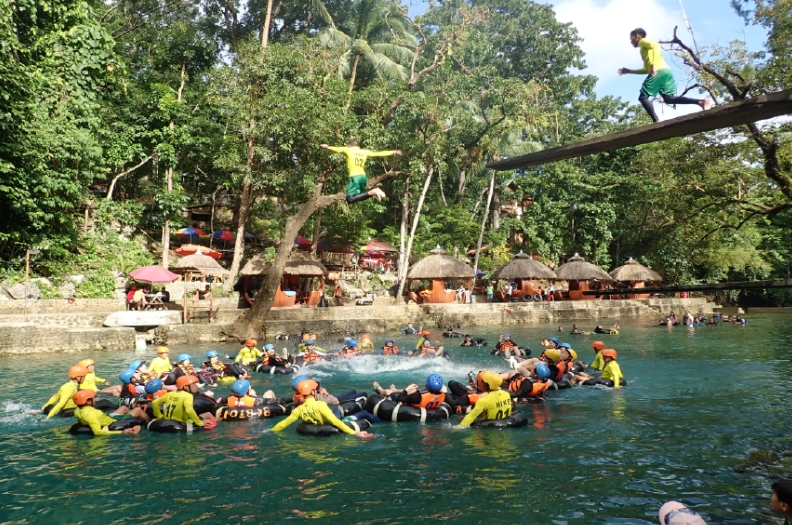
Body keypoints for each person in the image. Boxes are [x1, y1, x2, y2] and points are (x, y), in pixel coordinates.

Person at [618, 28, 711, 122]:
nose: (631, 41)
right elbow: (647, 69)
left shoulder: (642, 41)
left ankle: (656, 121)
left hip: (659, 71)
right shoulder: (644, 50)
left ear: (637, 36)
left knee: (643, 97)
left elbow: (656, 46)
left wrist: (654, 65)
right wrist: (629, 71)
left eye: (631, 38)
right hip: (666, 72)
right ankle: (701, 102)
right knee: (669, 99)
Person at [272, 379, 374, 437]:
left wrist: (270, 431)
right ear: (312, 392)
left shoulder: (299, 410)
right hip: (330, 433)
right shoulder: (320, 404)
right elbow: (335, 421)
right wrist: (355, 433)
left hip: (313, 439)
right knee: (363, 413)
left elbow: (282, 424)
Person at [320, 139, 402, 204]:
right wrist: (394, 151)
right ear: (359, 147)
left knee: (350, 199)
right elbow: (379, 153)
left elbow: (338, 149)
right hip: (363, 177)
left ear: (350, 145)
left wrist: (327, 147)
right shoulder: (364, 152)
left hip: (354, 177)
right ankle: (374, 192)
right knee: (362, 196)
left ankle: (375, 191)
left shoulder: (348, 150)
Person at [152, 375, 217, 427]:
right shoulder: (188, 396)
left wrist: (160, 416)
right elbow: (189, 410)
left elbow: (154, 403)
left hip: (169, 420)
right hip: (183, 423)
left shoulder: (170, 394)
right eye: (193, 384)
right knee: (208, 414)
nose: (196, 385)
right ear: (186, 387)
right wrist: (199, 423)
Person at [72, 390, 143, 435]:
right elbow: (97, 432)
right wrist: (122, 432)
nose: (95, 399)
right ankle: (147, 423)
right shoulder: (91, 414)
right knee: (138, 410)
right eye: (93, 398)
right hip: (114, 422)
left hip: (109, 418)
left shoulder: (77, 410)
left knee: (124, 408)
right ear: (88, 401)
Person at [373, 374, 446, 409]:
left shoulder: (417, 397)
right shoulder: (442, 395)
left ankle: (380, 389)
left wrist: (407, 389)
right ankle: (394, 389)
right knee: (413, 390)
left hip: (407, 401)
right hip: (419, 401)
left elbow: (400, 398)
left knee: (388, 392)